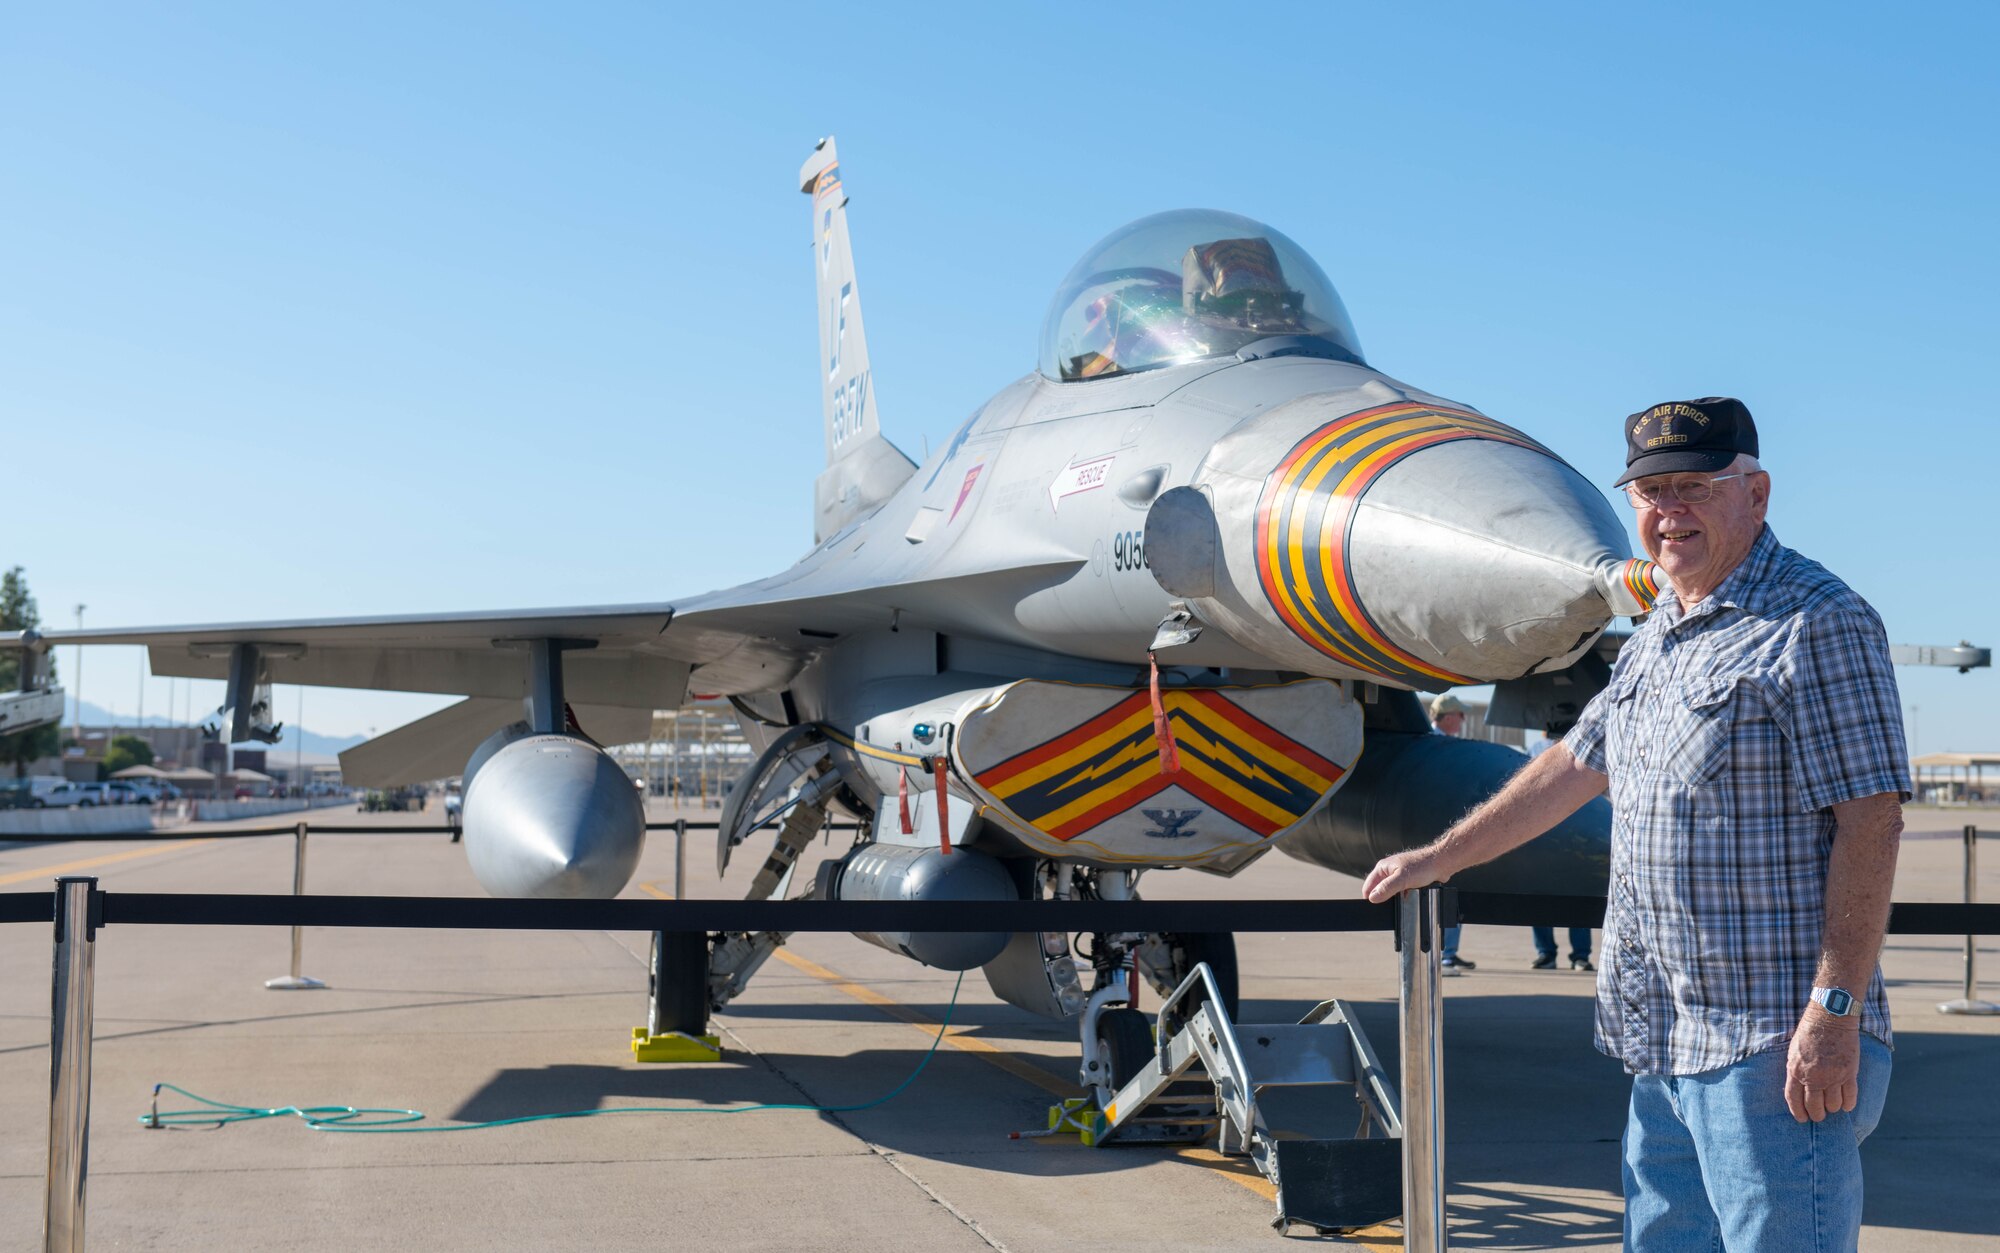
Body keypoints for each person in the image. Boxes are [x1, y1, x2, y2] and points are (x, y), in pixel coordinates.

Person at [1363, 397, 1908, 1249]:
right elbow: (1573, 766)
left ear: (1755, 494)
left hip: (1770, 1043)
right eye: (1651, 492)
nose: (1669, 511)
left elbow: (1871, 821)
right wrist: (1439, 856)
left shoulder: (1818, 621)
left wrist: (1833, 1011)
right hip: (1662, 1039)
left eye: (1694, 486)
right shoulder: (1659, 631)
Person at [1428, 694, 1475, 972]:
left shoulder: (1443, 745)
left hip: (1447, 828)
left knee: (1453, 890)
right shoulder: (1435, 746)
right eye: (1460, 714)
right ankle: (1443, 953)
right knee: (1446, 889)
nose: (1464, 720)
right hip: (1439, 831)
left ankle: (1448, 951)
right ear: (1447, 717)